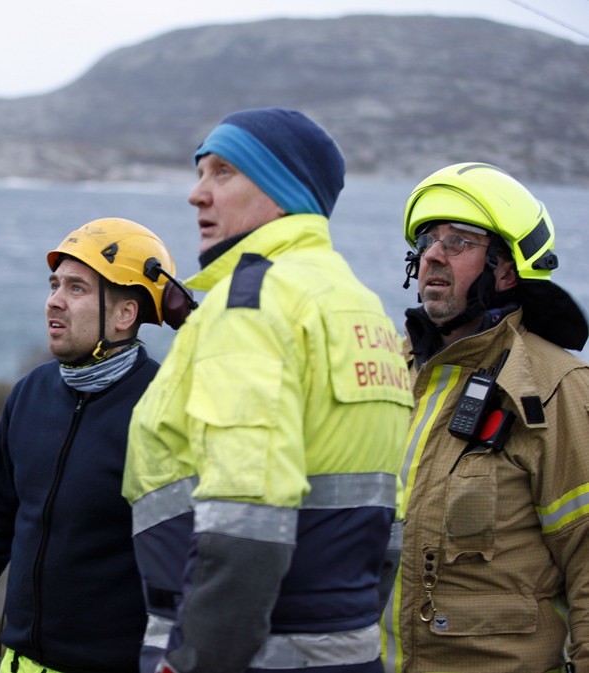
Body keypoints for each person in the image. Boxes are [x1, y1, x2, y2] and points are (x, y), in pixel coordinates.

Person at [123, 107, 413, 673]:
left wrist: (193, 659)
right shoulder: (364, 309)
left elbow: (245, 519)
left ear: (283, 192)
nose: (196, 194)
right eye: (200, 173)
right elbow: (390, 521)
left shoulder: (252, 302)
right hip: (349, 649)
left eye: (223, 172)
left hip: (237, 653)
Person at [0, 218, 193, 673]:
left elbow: (187, 560)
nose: (54, 301)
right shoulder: (30, 394)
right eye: (54, 285)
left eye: (76, 288)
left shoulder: (166, 409)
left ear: (125, 314)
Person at [382, 162, 589, 672]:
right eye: (428, 240)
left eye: (459, 242)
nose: (433, 255)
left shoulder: (555, 387)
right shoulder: (387, 368)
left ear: (507, 269)